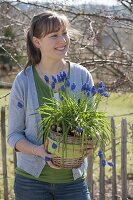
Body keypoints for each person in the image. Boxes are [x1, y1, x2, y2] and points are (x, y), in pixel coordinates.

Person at [8, 11, 94, 200]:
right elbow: (13, 136)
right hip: (31, 183)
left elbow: (90, 128)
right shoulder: (24, 81)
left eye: (64, 33)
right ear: (37, 42)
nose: (62, 40)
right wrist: (39, 151)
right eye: (54, 35)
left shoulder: (82, 76)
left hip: (73, 183)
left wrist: (90, 143)